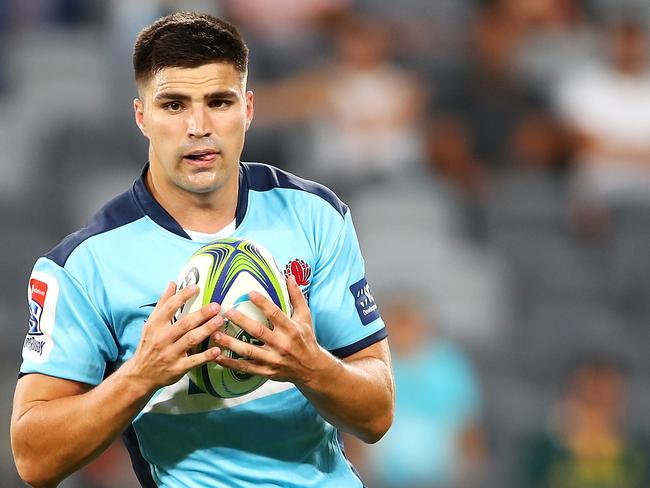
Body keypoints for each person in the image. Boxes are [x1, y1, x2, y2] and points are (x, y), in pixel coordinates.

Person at [10, 12, 394, 488]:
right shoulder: (83, 267)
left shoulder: (315, 216)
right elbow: (33, 459)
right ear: (142, 116)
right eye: (173, 104)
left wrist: (310, 367)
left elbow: (377, 414)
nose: (198, 126)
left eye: (219, 101)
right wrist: (140, 376)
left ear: (248, 109)